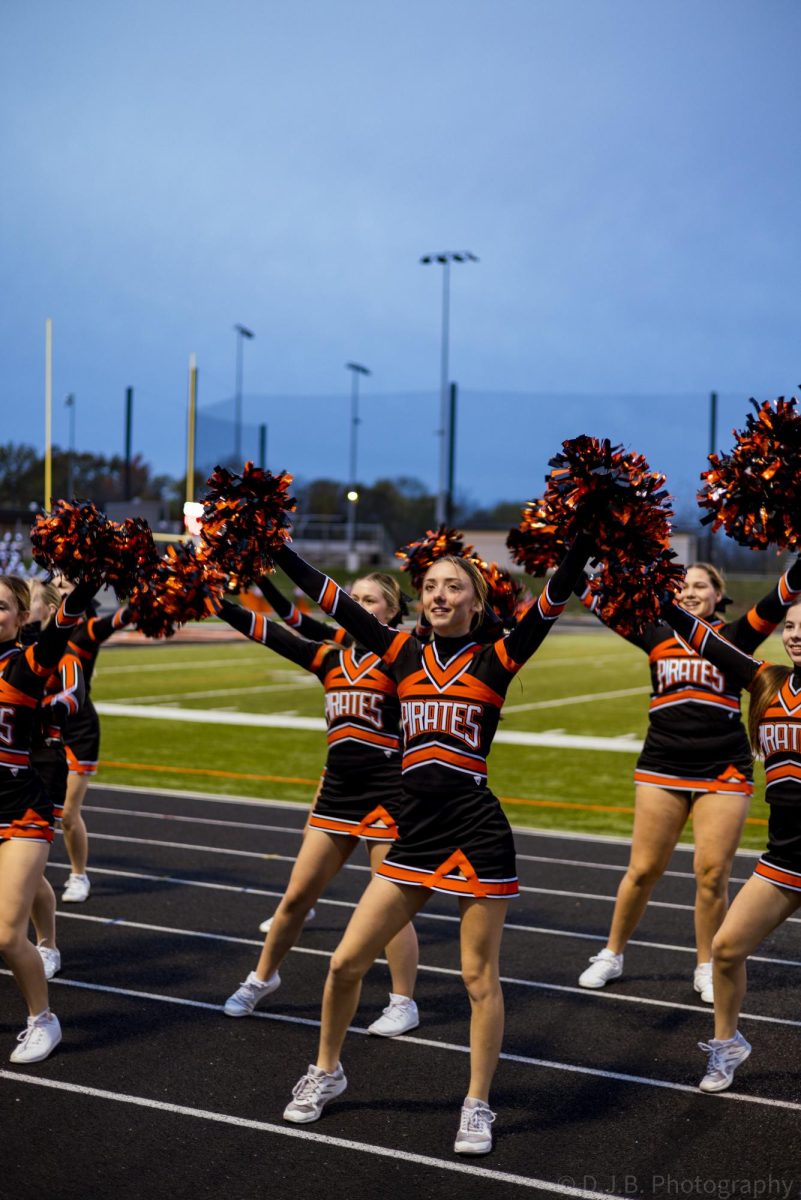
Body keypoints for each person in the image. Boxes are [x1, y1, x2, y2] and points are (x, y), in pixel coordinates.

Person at [272, 533, 593, 1155]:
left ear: (476, 601)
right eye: (430, 587)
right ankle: (327, 1069)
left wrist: (585, 531)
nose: (438, 594)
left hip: (476, 832)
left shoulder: (499, 656)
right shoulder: (400, 652)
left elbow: (555, 596)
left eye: (453, 586)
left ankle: (477, 1104)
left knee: (478, 978)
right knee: (343, 963)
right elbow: (335, 602)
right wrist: (275, 548)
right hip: (413, 832)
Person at [575, 561, 801, 1002]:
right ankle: (612, 952)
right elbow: (601, 604)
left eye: (701, 585)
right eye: (683, 586)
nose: (691, 591)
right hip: (663, 763)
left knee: (712, 874)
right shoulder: (654, 633)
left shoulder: (737, 638)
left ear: (719, 594)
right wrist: (572, 559)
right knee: (642, 870)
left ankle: (706, 965)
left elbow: (778, 598)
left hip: (723, 767)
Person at [216, 572, 421, 1038]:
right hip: (337, 794)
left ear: (391, 612)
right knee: (295, 899)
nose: (358, 605)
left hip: (388, 796)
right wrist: (211, 600)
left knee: (388, 906)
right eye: (353, 598)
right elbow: (267, 631)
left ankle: (403, 1000)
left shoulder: (402, 659)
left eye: (370, 600)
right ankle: (262, 977)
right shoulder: (328, 658)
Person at [660, 591, 801, 1091]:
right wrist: (660, 600)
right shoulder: (769, 682)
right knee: (724, 948)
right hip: (786, 857)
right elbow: (708, 642)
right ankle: (727, 1045)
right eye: (789, 626)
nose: (796, 634)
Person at [0, 572, 97, 1063]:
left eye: (0, 607)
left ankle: (44, 1020)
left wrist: (89, 580)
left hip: (21, 808)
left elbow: (62, 626)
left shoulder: (26, 664)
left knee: (4, 935)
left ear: (20, 618)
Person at [51, 574, 131, 903]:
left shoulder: (88, 630)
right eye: (54, 583)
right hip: (42, 727)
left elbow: (121, 617)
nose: (57, 588)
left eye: (64, 585)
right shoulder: (38, 633)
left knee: (68, 813)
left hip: (78, 728)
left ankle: (78, 875)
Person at [23, 580, 86, 979]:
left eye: (28, 600)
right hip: (6, 762)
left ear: (48, 609)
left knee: (29, 867)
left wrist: (41, 708)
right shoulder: (12, 652)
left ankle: (46, 944)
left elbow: (74, 696)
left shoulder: (62, 653)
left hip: (43, 761)